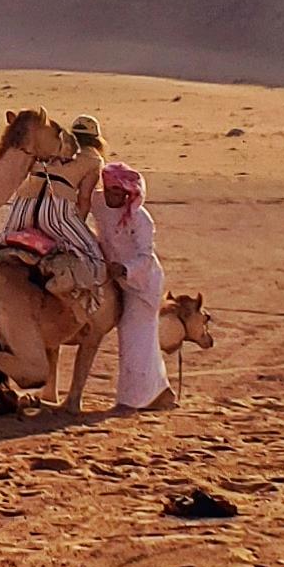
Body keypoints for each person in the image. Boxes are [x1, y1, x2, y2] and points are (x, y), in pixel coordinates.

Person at [92, 161, 175, 411]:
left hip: (142, 285)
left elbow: (146, 256)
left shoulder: (140, 219)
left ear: (128, 193)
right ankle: (161, 394)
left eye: (117, 193)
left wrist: (124, 268)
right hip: (117, 282)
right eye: (109, 191)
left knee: (135, 340)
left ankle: (132, 401)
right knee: (143, 342)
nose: (112, 197)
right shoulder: (99, 203)